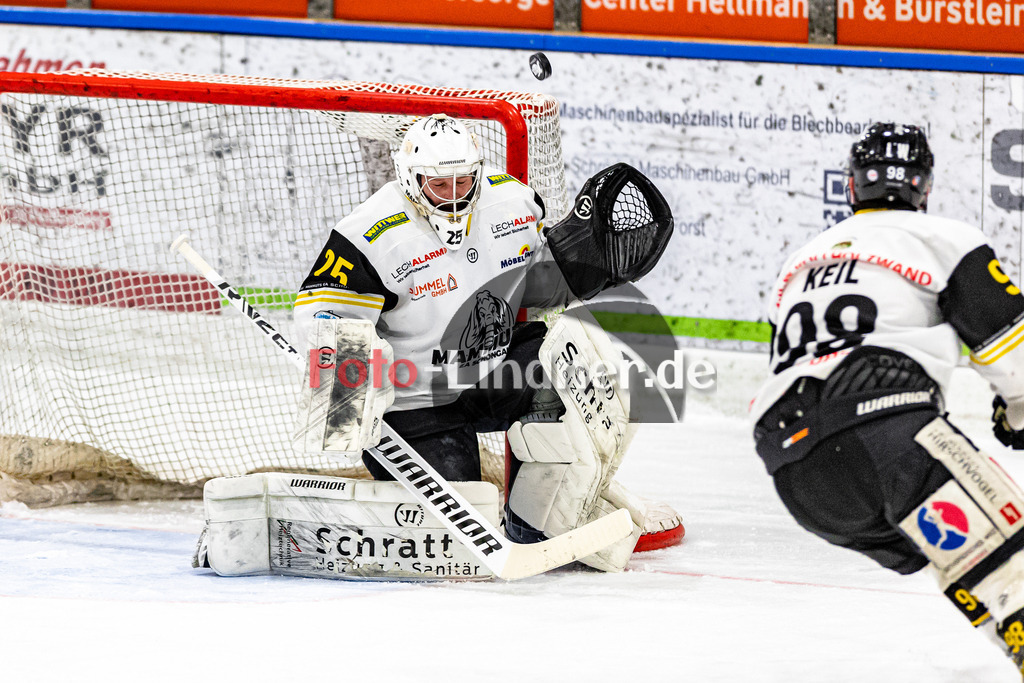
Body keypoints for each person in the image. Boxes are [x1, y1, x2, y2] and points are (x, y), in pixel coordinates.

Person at [293, 114, 677, 572]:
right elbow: (321, 314)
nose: (455, 196)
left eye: (464, 180)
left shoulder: (512, 203)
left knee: (584, 370)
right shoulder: (368, 234)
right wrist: (349, 379)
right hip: (415, 403)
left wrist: (582, 262)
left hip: (497, 371)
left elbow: (534, 288)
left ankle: (546, 518)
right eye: (440, 185)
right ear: (411, 179)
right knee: (451, 537)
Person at [751, 122, 1024, 675]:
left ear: (853, 187)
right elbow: (1010, 347)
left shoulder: (800, 261)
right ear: (923, 188)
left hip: (796, 470)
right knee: (1008, 560)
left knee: (970, 561)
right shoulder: (942, 237)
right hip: (885, 430)